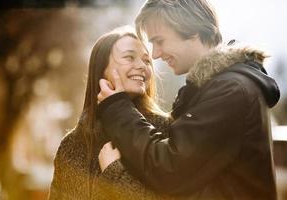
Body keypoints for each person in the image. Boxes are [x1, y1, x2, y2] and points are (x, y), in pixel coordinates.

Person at [97, 0, 281, 199]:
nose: (156, 54)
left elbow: (169, 170)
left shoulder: (231, 91)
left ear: (192, 31)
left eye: (159, 41)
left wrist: (117, 108)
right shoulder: (214, 90)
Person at [48, 26, 172, 200]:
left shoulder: (166, 132)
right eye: (129, 57)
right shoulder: (70, 145)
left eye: (147, 61)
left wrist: (114, 171)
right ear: (101, 69)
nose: (142, 66)